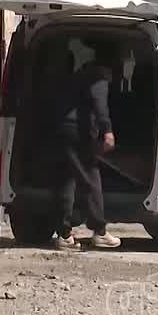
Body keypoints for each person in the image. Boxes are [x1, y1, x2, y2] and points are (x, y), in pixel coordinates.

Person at [50, 38, 122, 250]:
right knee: (91, 179)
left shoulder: (81, 73)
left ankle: (64, 235)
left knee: (67, 180)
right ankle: (100, 231)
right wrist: (107, 130)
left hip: (63, 129)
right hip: (78, 133)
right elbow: (100, 104)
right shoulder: (99, 76)